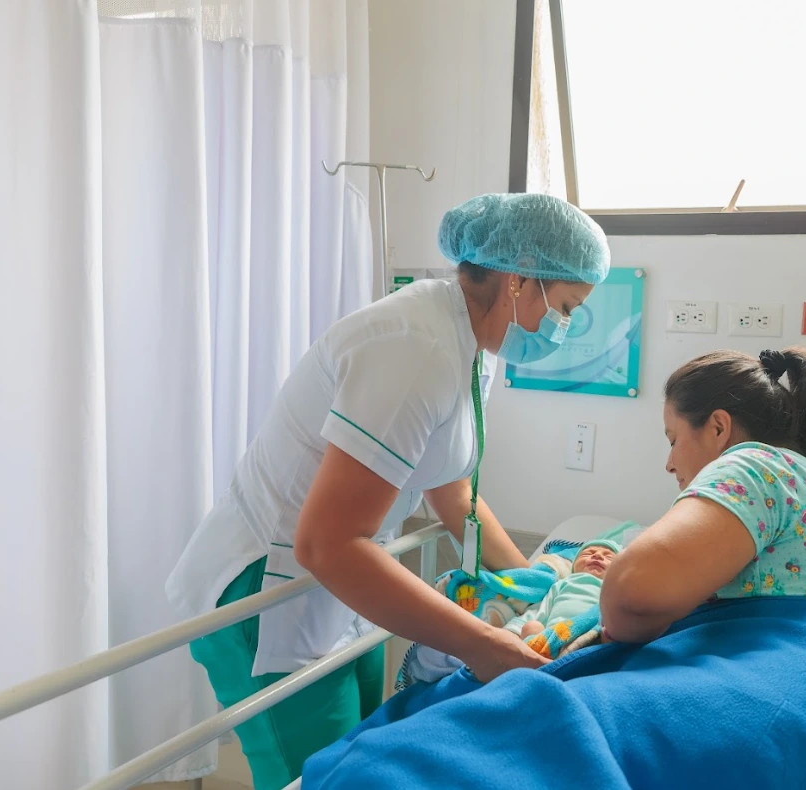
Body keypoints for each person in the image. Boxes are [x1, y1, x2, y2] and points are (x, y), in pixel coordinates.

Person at [166, 193, 610, 790]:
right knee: (318, 778)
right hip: (268, 590)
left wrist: (534, 585)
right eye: (563, 308)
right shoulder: (414, 347)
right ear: (518, 280)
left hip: (344, 578)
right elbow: (325, 544)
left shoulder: (474, 341)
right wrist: (483, 645)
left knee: (362, 761)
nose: (561, 328)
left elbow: (450, 489)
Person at [600, 348, 806, 650]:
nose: (669, 463)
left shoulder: (754, 465)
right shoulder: (799, 476)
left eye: (673, 440)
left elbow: (629, 591)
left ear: (718, 428)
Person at [505, 539, 620, 640]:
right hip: (554, 639)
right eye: (588, 553)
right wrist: (514, 628)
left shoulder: (614, 589)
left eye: (608, 557)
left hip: (594, 637)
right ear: (574, 566)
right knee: (532, 627)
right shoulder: (563, 583)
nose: (597, 556)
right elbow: (542, 610)